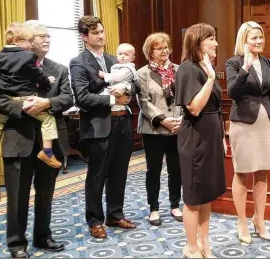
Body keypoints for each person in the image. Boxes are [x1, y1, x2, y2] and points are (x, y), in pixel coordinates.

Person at [0, 20, 73, 258]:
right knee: (17, 195)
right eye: (40, 35)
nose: (46, 39)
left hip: (50, 142)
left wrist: (48, 103)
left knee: (45, 193)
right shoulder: (7, 66)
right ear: (26, 40)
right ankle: (16, 243)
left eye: (48, 35)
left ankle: (43, 236)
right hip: (18, 138)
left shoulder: (59, 69)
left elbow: (67, 99)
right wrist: (21, 106)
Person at [69, 16, 138, 239]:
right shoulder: (78, 62)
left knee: (119, 172)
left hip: (123, 124)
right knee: (97, 175)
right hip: (99, 126)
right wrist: (112, 100)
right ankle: (95, 220)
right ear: (84, 37)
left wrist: (127, 89)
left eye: (102, 31)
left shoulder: (114, 60)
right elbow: (81, 97)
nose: (101, 35)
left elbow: (135, 83)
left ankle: (115, 214)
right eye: (95, 32)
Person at [225, 21, 270, 244]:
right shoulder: (234, 62)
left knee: (262, 172)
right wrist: (245, 68)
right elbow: (232, 92)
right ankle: (241, 222)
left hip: (265, 125)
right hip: (243, 125)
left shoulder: (268, 62)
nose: (259, 41)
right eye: (254, 38)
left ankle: (259, 220)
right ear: (244, 41)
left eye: (261, 37)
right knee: (242, 173)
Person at [175, 23, 226, 258]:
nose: (216, 43)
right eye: (211, 38)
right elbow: (195, 108)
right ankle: (191, 246)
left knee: (206, 193)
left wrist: (223, 136)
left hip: (212, 136)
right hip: (195, 138)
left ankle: (205, 243)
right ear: (198, 43)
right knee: (194, 195)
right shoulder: (187, 69)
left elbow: (217, 108)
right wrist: (211, 79)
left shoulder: (205, 68)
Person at [0, 22, 61, 169]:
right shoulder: (28, 57)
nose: (31, 45)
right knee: (48, 119)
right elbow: (38, 75)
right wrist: (47, 82)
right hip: (26, 101)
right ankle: (47, 152)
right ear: (16, 41)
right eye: (29, 41)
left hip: (6, 98)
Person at [136, 32, 183, 226]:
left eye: (166, 47)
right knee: (153, 170)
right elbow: (144, 102)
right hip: (153, 129)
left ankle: (174, 204)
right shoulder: (142, 73)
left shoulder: (179, 70)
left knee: (176, 169)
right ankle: (153, 208)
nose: (164, 51)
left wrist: (180, 119)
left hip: (177, 128)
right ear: (150, 51)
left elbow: (185, 97)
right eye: (159, 48)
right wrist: (163, 119)